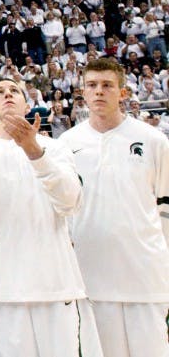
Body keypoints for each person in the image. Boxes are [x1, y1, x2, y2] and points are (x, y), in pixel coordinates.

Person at [0, 80, 101, 356]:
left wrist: (34, 152)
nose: (7, 94)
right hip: (3, 290)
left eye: (14, 91)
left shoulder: (55, 147)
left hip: (55, 286)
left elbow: (70, 202)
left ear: (27, 105)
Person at [60, 57, 169, 357]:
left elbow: (166, 207)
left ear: (123, 92)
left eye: (107, 85)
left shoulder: (153, 141)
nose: (99, 92)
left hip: (145, 276)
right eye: (92, 85)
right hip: (92, 277)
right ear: (82, 92)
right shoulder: (67, 144)